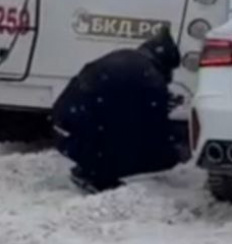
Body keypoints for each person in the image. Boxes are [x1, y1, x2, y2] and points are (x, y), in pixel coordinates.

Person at [51, 27, 189, 193]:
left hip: (63, 128)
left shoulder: (126, 57)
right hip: (82, 138)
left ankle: (91, 168)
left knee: (119, 132)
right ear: (165, 63)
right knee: (162, 151)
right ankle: (98, 175)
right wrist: (177, 146)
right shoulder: (150, 76)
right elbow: (153, 126)